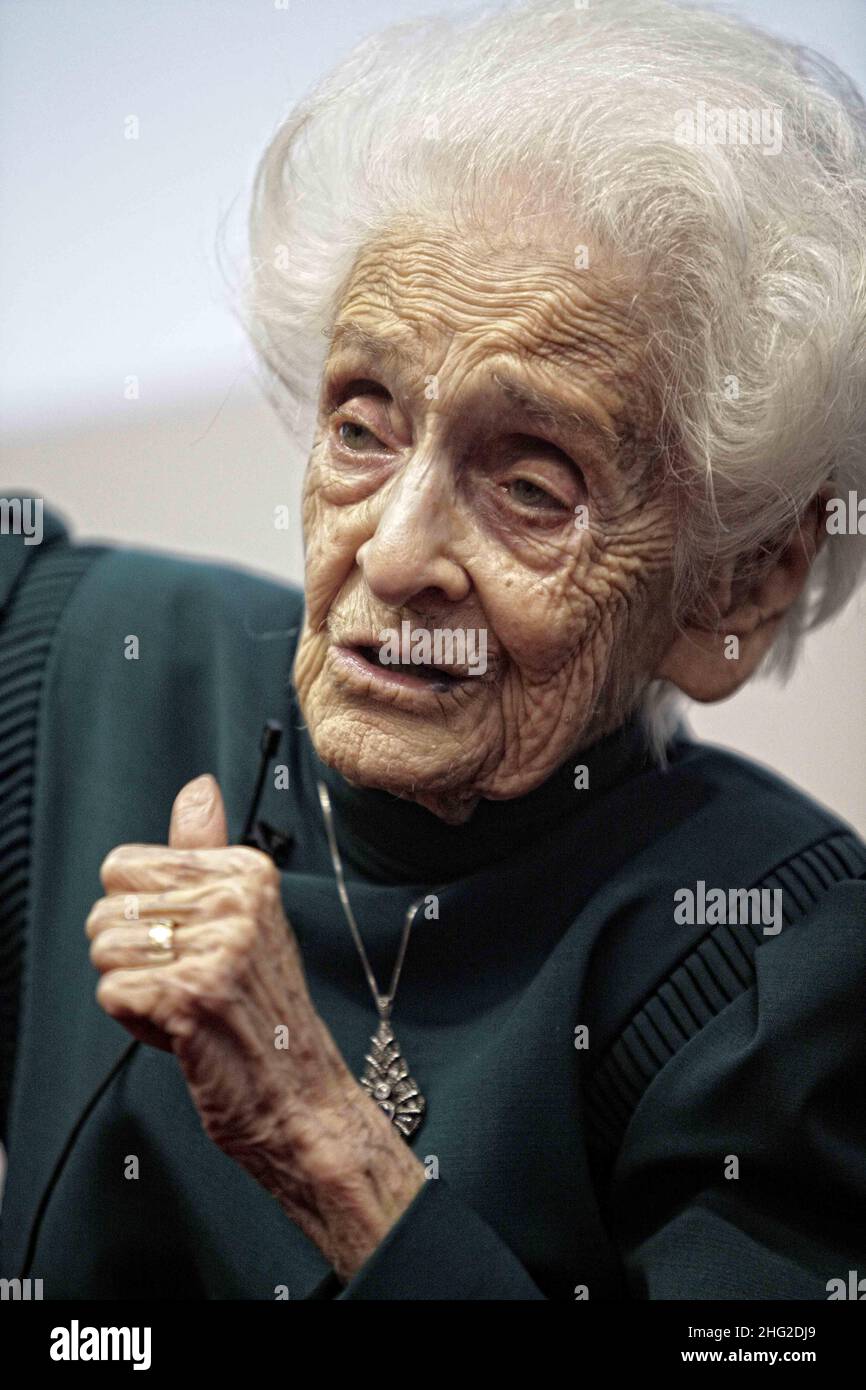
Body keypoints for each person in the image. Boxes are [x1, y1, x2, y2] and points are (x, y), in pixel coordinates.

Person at [1, 0, 865, 1299]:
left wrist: (323, 1139)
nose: (394, 552)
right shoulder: (85, 665)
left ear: (730, 588)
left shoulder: (781, 956)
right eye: (362, 427)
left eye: (529, 483)